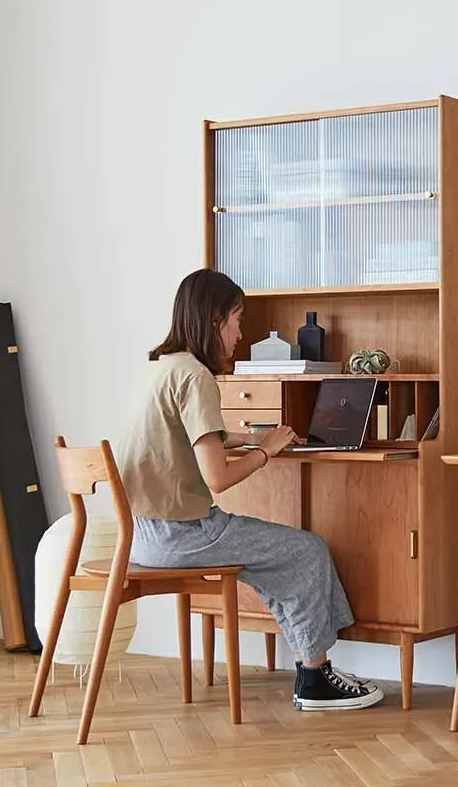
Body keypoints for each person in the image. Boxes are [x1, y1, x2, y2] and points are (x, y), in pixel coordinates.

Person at [116, 268, 384, 711]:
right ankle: (315, 678)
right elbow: (217, 479)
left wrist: (250, 438)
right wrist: (267, 453)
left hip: (143, 536)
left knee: (279, 560)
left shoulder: (162, 369)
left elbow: (181, 438)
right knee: (306, 551)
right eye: (238, 320)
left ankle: (311, 668)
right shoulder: (197, 377)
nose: (241, 333)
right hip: (185, 536)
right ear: (215, 320)